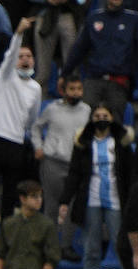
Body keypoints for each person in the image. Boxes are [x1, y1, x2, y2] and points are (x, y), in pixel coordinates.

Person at [59, 105, 132, 269]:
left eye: (105, 115)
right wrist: (65, 201)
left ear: (112, 118)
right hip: (91, 199)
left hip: (116, 199)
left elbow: (130, 173)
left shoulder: (121, 142)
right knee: (91, 247)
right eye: (97, 115)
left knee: (121, 244)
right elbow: (74, 173)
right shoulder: (83, 143)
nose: (101, 118)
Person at [0, 18, 40, 216]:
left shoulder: (35, 88)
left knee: (10, 196)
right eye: (21, 56)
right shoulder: (5, 76)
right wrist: (18, 34)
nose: (25, 59)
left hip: (15, 143)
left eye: (29, 56)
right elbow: (10, 56)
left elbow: (32, 118)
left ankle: (4, 240)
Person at [62, 0, 138, 114]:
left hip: (119, 80)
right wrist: (65, 74)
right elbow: (78, 50)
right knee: (84, 117)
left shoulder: (133, 19)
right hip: (93, 78)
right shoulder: (94, 17)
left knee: (115, 121)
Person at [31, 75, 89, 255]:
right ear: (63, 91)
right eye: (72, 89)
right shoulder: (52, 109)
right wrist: (38, 146)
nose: (76, 93)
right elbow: (36, 127)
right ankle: (50, 246)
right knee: (51, 205)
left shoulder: (87, 110)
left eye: (79, 89)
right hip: (53, 163)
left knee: (72, 206)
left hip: (75, 166)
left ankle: (66, 246)